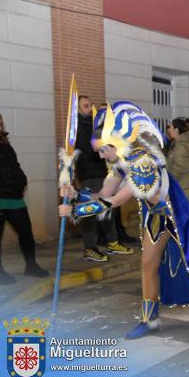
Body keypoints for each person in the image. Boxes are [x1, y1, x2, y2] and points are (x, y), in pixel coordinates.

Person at [59, 102, 189, 339]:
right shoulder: (119, 164)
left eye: (102, 150)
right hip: (154, 218)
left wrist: (75, 211)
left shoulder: (141, 161)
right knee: (148, 264)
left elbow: (116, 201)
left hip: (176, 214)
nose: (100, 156)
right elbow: (104, 194)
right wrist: (75, 195)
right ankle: (149, 319)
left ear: (115, 144)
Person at [75, 96, 133, 261]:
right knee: (93, 213)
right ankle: (90, 247)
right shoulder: (81, 129)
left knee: (106, 209)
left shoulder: (131, 164)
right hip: (90, 174)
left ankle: (112, 242)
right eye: (85, 106)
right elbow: (103, 198)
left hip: (165, 216)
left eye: (90, 105)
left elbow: (113, 200)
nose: (90, 109)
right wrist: (74, 201)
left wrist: (73, 211)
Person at [0, 111, 49, 284]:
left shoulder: (5, 144)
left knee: (26, 232)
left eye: (0, 124)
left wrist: (22, 178)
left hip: (15, 197)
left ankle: (31, 266)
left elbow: (14, 165)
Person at [165, 117, 189, 203]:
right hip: (183, 190)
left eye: (171, 127)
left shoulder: (181, 147)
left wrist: (168, 183)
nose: (169, 130)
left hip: (183, 192)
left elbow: (178, 169)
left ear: (176, 129)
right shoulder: (177, 144)